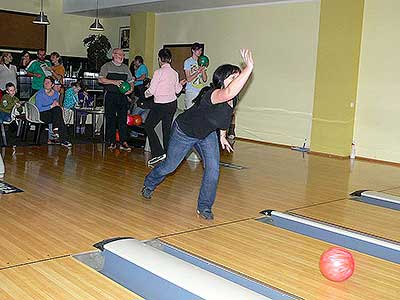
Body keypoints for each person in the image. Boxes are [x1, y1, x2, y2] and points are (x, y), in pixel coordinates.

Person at [141, 49, 254, 220]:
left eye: (238, 78)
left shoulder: (233, 98)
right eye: (233, 78)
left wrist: (223, 135)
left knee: (214, 169)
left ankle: (204, 207)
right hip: (184, 131)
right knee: (170, 166)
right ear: (222, 81)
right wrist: (249, 67)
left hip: (206, 135)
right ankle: (149, 183)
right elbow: (228, 93)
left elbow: (225, 115)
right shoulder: (214, 94)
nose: (237, 81)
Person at [144, 48, 186, 166]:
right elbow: (177, 90)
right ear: (170, 59)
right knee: (166, 129)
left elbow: (151, 91)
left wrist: (145, 93)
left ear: (159, 59)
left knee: (148, 126)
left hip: (160, 105)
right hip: (171, 104)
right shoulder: (175, 73)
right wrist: (180, 84)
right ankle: (168, 155)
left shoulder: (158, 72)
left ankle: (158, 153)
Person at [98, 48, 134, 151]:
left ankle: (123, 142)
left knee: (123, 119)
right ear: (113, 55)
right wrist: (115, 82)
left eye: (123, 55)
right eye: (120, 55)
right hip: (110, 95)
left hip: (122, 97)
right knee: (111, 119)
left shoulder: (125, 68)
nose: (122, 57)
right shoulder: (106, 66)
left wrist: (131, 89)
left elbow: (131, 81)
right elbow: (101, 79)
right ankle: (112, 141)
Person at [35, 76, 72, 148]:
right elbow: (38, 109)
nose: (46, 83)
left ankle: (56, 131)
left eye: (48, 82)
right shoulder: (40, 94)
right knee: (58, 115)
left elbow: (56, 105)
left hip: (52, 114)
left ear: (52, 85)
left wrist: (56, 105)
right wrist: (51, 106)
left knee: (57, 110)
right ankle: (62, 138)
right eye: (45, 82)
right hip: (41, 114)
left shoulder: (55, 94)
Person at [183, 42, 208, 109]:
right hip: (191, 91)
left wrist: (203, 70)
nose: (200, 52)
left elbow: (205, 79)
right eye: (198, 50)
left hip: (200, 91)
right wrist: (198, 71)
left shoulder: (202, 61)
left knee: (199, 112)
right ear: (193, 50)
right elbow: (188, 79)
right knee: (189, 112)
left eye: (201, 50)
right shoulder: (188, 62)